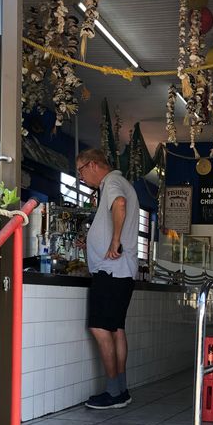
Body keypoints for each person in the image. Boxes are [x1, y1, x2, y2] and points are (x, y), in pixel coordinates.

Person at [77, 148, 140, 409]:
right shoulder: (120, 182)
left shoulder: (111, 182)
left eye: (80, 171)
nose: (81, 178)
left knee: (101, 328)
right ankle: (120, 390)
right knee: (116, 329)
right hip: (121, 271)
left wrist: (114, 242)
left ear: (93, 165)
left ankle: (114, 392)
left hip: (111, 269)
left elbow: (120, 206)